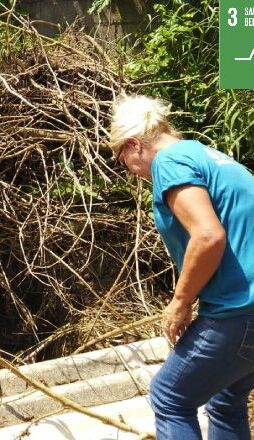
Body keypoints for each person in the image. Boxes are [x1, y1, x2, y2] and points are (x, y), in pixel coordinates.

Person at [109, 95, 254, 439]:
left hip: (240, 310)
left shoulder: (170, 162)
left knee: (170, 397)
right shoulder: (208, 156)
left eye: (124, 160)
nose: (132, 172)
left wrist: (180, 301)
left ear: (133, 145)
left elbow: (207, 236)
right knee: (225, 399)